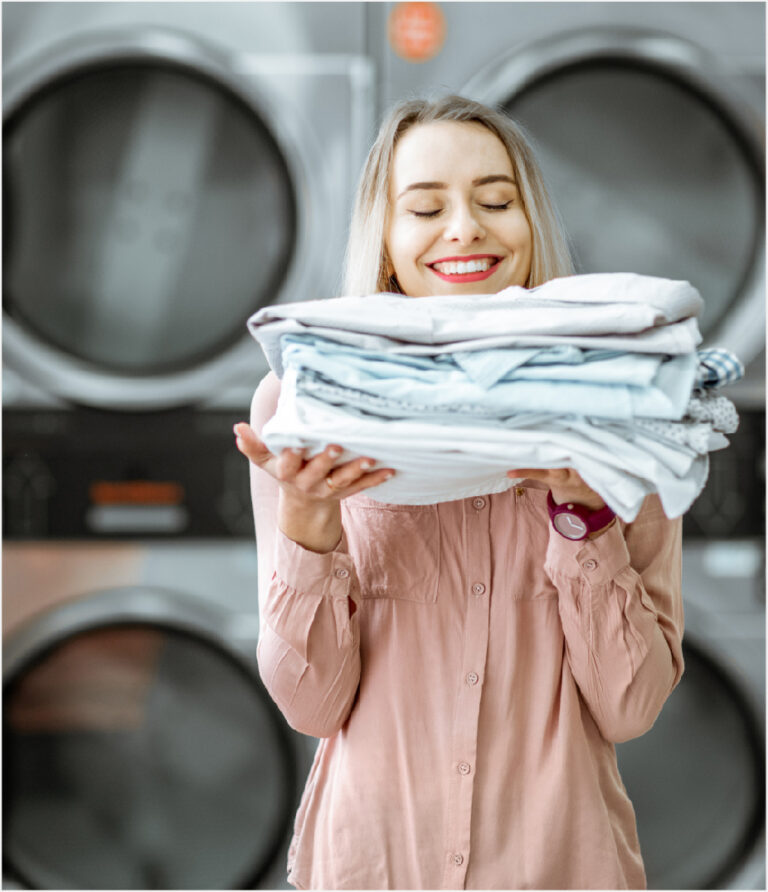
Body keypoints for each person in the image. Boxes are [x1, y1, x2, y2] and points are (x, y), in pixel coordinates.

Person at [234, 95, 683, 890]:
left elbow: (631, 705)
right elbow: (310, 703)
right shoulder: (307, 408)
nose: (465, 228)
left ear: (530, 223)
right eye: (425, 207)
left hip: (558, 866)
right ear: (386, 242)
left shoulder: (622, 407)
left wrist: (584, 515)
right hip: (375, 864)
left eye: (496, 201)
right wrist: (310, 522)